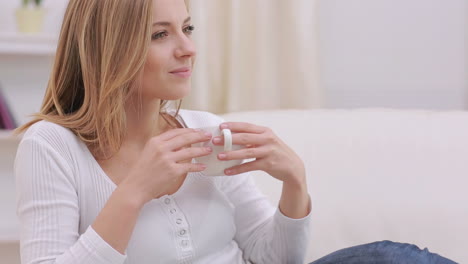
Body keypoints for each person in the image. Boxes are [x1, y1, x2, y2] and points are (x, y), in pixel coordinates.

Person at [13, 0, 457, 264]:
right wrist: (134, 193)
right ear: (109, 48)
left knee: (388, 256)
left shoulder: (204, 129)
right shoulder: (51, 147)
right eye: (160, 35)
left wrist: (294, 182)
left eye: (187, 28)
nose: (188, 47)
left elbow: (273, 258)